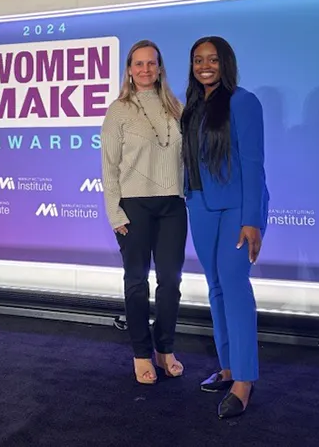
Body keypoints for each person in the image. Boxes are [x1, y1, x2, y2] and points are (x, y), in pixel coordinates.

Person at [180, 36, 269, 418]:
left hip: (237, 210)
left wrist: (252, 220)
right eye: (198, 60)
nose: (205, 65)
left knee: (234, 285)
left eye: (212, 59)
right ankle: (228, 366)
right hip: (199, 205)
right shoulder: (192, 108)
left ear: (225, 63)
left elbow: (252, 164)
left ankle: (245, 380)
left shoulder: (243, 101)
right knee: (215, 285)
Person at [101, 39, 187, 385]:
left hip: (172, 205)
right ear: (129, 70)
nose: (145, 69)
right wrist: (114, 212)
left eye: (151, 63)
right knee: (137, 282)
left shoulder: (176, 107)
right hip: (133, 206)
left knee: (171, 281)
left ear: (160, 68)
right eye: (138, 64)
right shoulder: (118, 110)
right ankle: (141, 353)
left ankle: (165, 348)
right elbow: (108, 167)